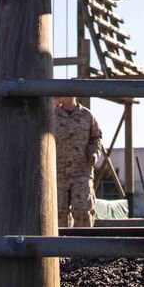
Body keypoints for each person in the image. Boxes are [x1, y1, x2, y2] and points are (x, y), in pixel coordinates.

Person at [53, 96, 104, 228]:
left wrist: (93, 153)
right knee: (57, 214)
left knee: (83, 210)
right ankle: (59, 247)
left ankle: (83, 246)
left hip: (81, 171)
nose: (56, 96)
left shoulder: (87, 115)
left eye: (60, 93)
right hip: (57, 174)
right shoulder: (51, 115)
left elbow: (96, 138)